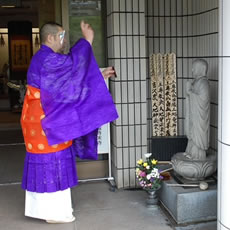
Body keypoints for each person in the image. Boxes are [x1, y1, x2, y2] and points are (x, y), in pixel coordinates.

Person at [20, 21, 118, 223]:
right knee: (53, 161)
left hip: (43, 119)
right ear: (51, 38)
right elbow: (72, 69)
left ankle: (50, 211)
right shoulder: (46, 59)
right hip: (45, 122)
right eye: (62, 36)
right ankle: (53, 213)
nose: (64, 42)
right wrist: (87, 40)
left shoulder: (45, 59)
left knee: (52, 161)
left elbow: (68, 82)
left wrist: (99, 75)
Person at [184, 59, 210, 160]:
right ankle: (190, 151)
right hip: (194, 116)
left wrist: (190, 92)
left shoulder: (204, 83)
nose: (192, 70)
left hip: (200, 118)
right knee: (192, 133)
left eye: (194, 68)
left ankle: (197, 154)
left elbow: (203, 100)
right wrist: (189, 93)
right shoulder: (196, 82)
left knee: (197, 134)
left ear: (201, 69)